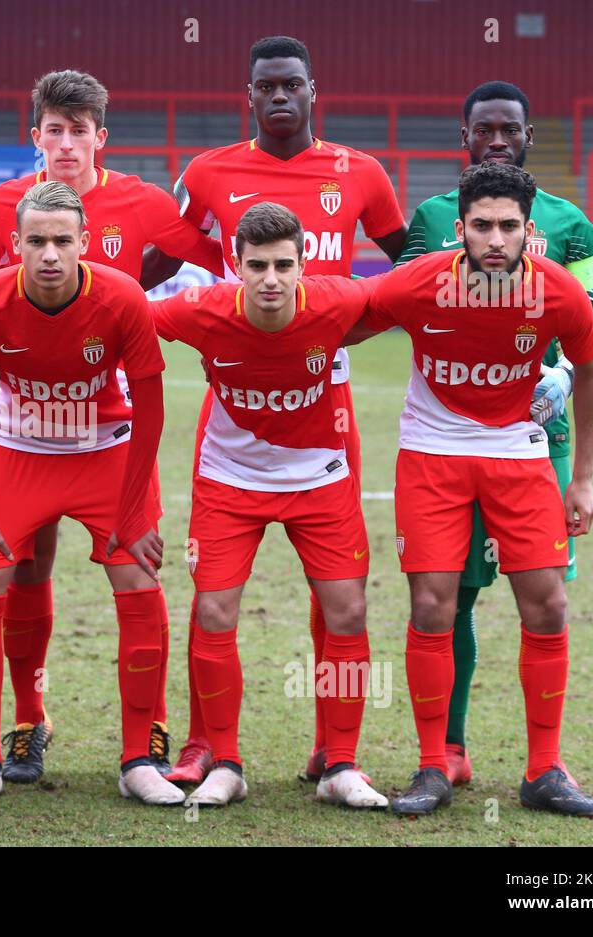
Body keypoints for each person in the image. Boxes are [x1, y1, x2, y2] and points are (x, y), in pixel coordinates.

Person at [142, 35, 408, 786]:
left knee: (341, 600)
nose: (280, 96)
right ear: (249, 94)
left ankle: (336, 751)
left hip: (327, 405)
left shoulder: (361, 172)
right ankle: (205, 744)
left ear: (313, 89)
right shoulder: (207, 172)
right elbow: (154, 262)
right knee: (216, 603)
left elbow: (410, 266)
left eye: (293, 83)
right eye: (267, 86)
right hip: (238, 398)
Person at [0, 69, 223, 782]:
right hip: (20, 431)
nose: (67, 143)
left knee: (136, 568)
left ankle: (150, 727)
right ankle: (27, 717)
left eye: (80, 130)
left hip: (105, 432)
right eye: (55, 129)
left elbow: (220, 252)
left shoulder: (139, 200)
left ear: (99, 137)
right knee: (23, 569)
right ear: (35, 138)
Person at [348, 162, 593, 817]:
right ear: (459, 229)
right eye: (483, 225)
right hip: (432, 455)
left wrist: (581, 480)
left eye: (509, 227)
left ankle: (545, 770)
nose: (496, 238)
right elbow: (348, 317)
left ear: (530, 233)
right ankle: (434, 765)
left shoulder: (556, 291)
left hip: (518, 453)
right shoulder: (419, 282)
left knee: (547, 605)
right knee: (433, 605)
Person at [394, 80, 593, 785]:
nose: (496, 137)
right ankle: (446, 750)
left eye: (508, 127)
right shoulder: (431, 217)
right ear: (464, 134)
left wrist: (565, 378)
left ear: (527, 134)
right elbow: (397, 300)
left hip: (534, 441)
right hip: (446, 433)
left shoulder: (570, 223)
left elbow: (592, 321)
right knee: (447, 595)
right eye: (483, 127)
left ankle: (544, 766)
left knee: (544, 599)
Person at [0, 181, 177, 806]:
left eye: (62, 241)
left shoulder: (122, 298)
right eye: (36, 241)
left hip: (106, 447)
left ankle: (138, 755)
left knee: (137, 575)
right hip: (18, 446)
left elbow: (152, 412)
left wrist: (133, 512)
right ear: (14, 244)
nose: (49, 254)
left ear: (85, 244)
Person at [150, 202, 387, 809]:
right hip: (229, 481)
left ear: (304, 264)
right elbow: (127, 314)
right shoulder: (200, 311)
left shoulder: (336, 302)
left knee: (348, 611)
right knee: (213, 611)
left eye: (285, 265)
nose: (272, 279)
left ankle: (340, 765)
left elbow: (409, 294)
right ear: (235, 265)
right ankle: (226, 761)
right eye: (258, 266)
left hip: (320, 478)